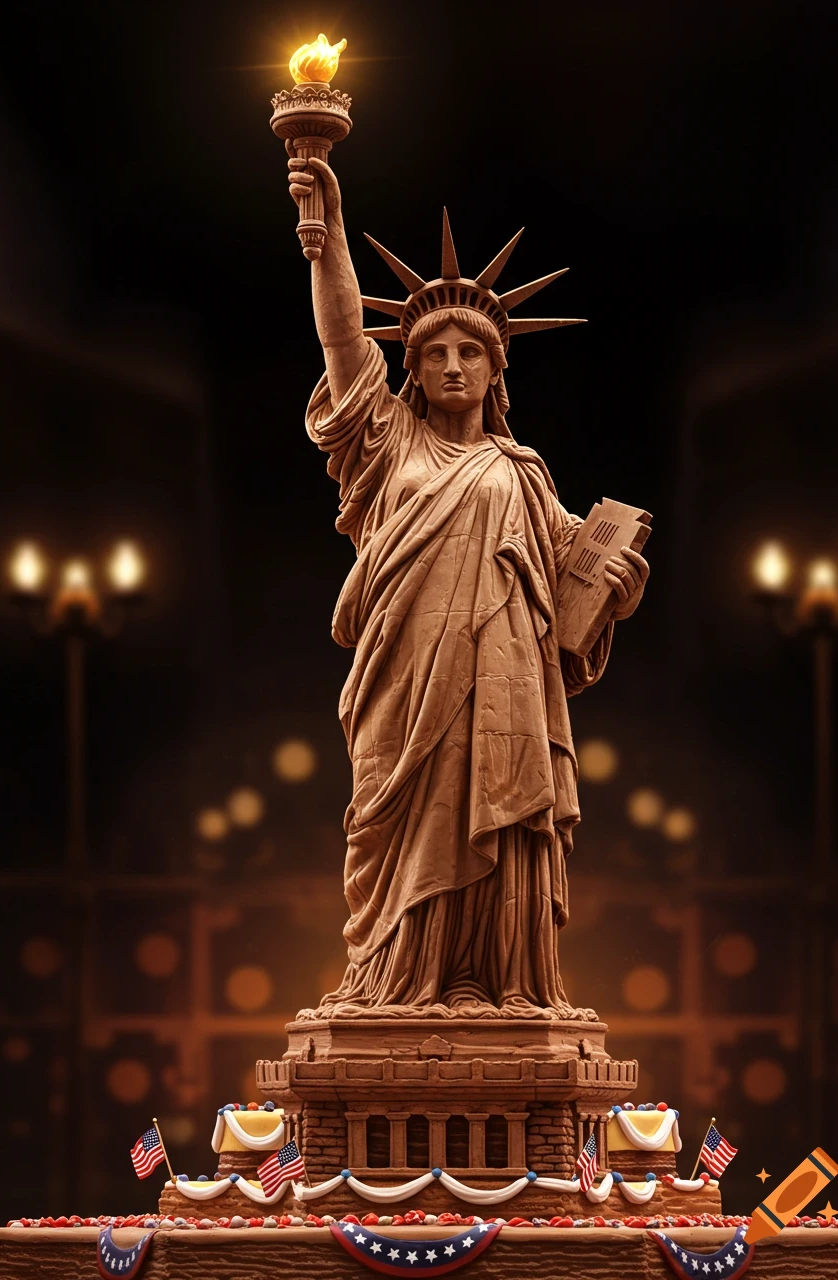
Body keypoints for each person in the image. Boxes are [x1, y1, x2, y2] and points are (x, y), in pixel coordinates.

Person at [287, 153, 649, 1021]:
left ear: (496, 371)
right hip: (406, 677)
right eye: (435, 353)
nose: (453, 365)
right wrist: (325, 229)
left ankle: (500, 986)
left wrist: (619, 585)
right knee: (397, 819)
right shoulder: (386, 447)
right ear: (412, 368)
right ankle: (397, 983)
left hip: (506, 689)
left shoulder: (523, 474)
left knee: (506, 818)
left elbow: (574, 581)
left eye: (471, 353)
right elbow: (342, 340)